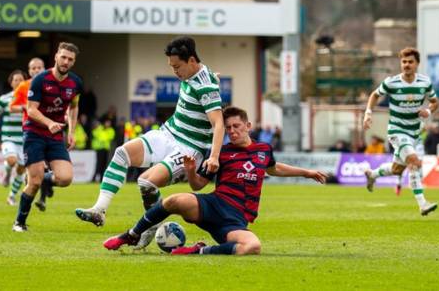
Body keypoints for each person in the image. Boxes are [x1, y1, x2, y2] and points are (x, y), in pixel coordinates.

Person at [103, 107, 327, 254]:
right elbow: (198, 185)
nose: (232, 131)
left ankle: (198, 250)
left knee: (253, 246)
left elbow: (274, 168)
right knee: (173, 201)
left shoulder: (263, 149)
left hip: (235, 219)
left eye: (236, 127)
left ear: (248, 126)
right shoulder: (220, 152)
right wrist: (191, 171)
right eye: (228, 128)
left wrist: (306, 173)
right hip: (213, 205)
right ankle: (131, 235)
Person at [76, 36, 225, 250]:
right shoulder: (197, 73)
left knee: (146, 182)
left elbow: (218, 123)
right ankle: (99, 209)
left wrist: (214, 156)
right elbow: (207, 75)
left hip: (189, 147)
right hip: (168, 133)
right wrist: (214, 77)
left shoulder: (206, 86)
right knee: (121, 153)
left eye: (177, 66)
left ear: (192, 60)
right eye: (172, 66)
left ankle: (151, 227)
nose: (175, 72)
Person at [12, 42, 83, 232]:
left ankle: (44, 178)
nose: (66, 61)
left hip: (55, 135)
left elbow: (74, 106)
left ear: (73, 62)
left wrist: (72, 131)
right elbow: (31, 110)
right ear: (56, 57)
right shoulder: (40, 80)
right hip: (34, 133)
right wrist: (49, 122)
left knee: (65, 178)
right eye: (63, 57)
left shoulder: (75, 83)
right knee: (33, 182)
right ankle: (19, 222)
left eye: (70, 59)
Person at [363, 47, 439, 216]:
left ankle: (372, 174)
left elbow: (435, 102)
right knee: (414, 161)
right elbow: (374, 95)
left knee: (397, 169)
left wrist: (428, 111)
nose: (406, 65)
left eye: (410, 62)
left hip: (414, 133)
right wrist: (368, 113)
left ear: (417, 64)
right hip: (397, 131)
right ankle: (422, 204)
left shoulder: (425, 83)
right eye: (404, 62)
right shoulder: (392, 82)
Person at [9, 57, 49, 210]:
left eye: (40, 67)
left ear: (44, 68)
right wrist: (26, 108)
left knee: (48, 167)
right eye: (34, 68)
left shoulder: (51, 84)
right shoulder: (23, 86)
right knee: (34, 167)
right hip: (31, 130)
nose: (37, 70)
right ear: (29, 71)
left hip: (50, 129)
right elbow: (12, 107)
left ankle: (43, 197)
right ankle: (29, 196)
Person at [0, 69, 27, 205]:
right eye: (15, 80)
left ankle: (11, 196)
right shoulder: (5, 99)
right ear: (11, 83)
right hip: (9, 136)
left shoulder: (31, 99)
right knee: (12, 160)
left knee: (22, 168)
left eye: (21, 80)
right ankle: (7, 172)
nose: (18, 82)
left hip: (24, 139)